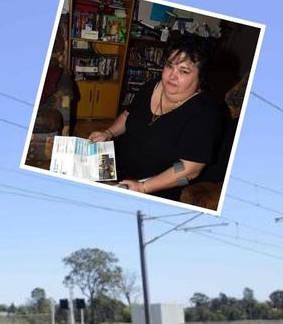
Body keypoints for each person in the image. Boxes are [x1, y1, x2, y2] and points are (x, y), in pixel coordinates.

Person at [88, 36, 221, 201]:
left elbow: (188, 170)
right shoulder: (151, 86)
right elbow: (128, 115)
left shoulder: (205, 114)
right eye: (169, 66)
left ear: (201, 78)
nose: (172, 76)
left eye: (184, 71)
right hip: (113, 166)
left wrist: (143, 188)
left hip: (153, 186)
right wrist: (108, 133)